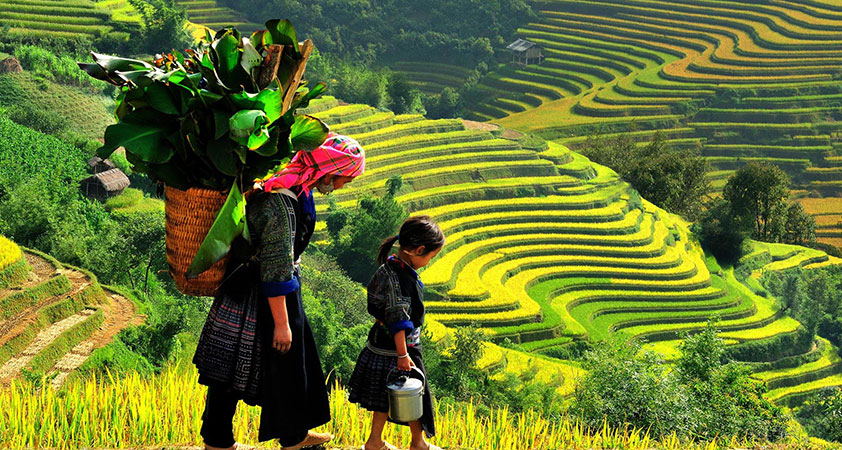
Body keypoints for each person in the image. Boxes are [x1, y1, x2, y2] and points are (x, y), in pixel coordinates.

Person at [192, 132, 365, 450]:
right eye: (343, 179)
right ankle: (217, 442)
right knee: (231, 370)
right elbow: (274, 267)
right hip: (257, 294)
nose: (342, 186)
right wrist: (283, 323)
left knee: (292, 366)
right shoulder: (279, 203)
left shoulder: (299, 189)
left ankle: (294, 435)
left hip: (275, 289)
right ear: (329, 171)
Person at [348, 216, 446, 450]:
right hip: (400, 348)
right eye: (430, 257)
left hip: (381, 343)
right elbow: (397, 319)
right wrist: (403, 355)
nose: (429, 262)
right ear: (419, 250)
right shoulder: (398, 277)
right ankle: (417, 443)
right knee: (414, 391)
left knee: (386, 397)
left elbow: (379, 306)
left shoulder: (391, 266)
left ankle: (376, 442)